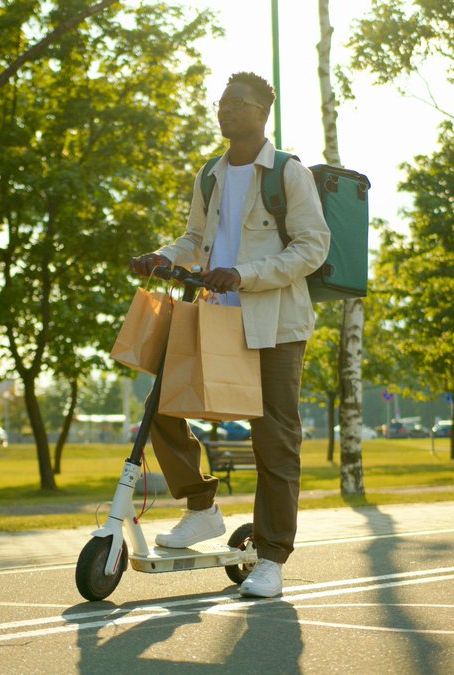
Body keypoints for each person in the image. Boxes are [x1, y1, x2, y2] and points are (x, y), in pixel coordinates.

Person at [129, 72, 329, 598]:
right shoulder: (211, 176)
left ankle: (271, 559)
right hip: (215, 317)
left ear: (265, 110)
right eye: (222, 103)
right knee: (164, 405)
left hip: (275, 327)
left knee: (275, 441)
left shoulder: (287, 172)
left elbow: (313, 248)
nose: (226, 110)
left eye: (239, 103)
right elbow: (196, 239)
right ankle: (202, 508)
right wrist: (162, 257)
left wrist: (245, 274)